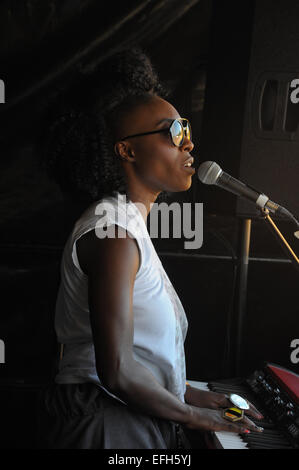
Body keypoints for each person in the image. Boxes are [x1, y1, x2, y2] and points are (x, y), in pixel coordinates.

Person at [38, 47, 263, 449]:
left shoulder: (127, 226)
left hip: (127, 416)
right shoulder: (113, 235)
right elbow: (117, 371)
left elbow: (139, 360)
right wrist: (199, 417)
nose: (188, 144)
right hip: (106, 424)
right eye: (174, 133)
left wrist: (193, 395)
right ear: (127, 150)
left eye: (187, 130)